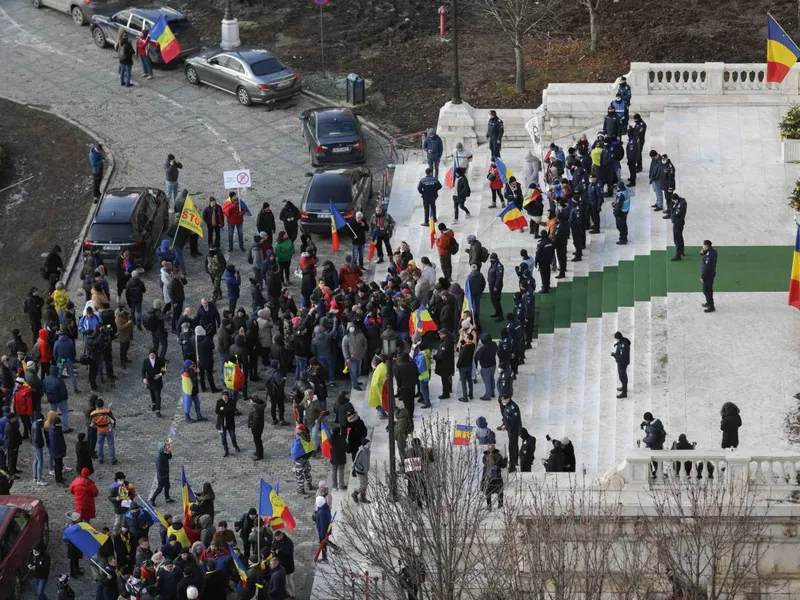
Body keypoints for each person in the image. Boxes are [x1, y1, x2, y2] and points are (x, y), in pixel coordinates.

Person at [498, 396, 521, 472]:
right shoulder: (506, 405)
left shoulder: (513, 407)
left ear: (508, 399)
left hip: (513, 430)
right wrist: (504, 424)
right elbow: (505, 417)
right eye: (501, 399)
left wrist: (506, 426)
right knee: (514, 445)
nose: (502, 401)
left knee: (512, 447)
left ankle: (512, 466)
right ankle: (515, 460)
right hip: (510, 429)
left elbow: (515, 420)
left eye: (503, 399)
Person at [90, 398, 116, 465]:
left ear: (96, 405)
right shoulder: (107, 411)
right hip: (108, 429)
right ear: (103, 404)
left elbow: (92, 424)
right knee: (110, 444)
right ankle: (112, 459)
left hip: (99, 430)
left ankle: (100, 459)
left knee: (100, 444)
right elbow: (113, 419)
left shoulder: (93, 413)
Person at [142, 349, 167, 418]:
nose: (152, 356)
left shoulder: (160, 361)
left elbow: (164, 368)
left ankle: (158, 410)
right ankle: (154, 403)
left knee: (158, 395)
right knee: (152, 393)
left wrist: (160, 374)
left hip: (157, 381)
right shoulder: (146, 361)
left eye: (153, 355)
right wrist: (144, 378)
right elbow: (143, 371)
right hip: (150, 381)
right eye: (151, 355)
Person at [482, 441, 506, 508]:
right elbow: (503, 465)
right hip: (498, 477)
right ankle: (500, 505)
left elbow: (484, 463)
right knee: (500, 491)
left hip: (489, 477)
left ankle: (489, 506)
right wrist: (505, 460)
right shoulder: (498, 455)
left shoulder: (485, 456)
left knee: (488, 491)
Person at [215, 391, 239, 457]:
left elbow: (232, 410)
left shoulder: (232, 402)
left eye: (226, 396)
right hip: (222, 423)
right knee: (223, 438)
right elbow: (217, 411)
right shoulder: (219, 402)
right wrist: (225, 410)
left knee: (233, 436)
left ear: (228, 397)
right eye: (223, 396)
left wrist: (223, 410)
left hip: (230, 422)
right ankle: (226, 450)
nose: (224, 397)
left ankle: (235, 445)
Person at [150, 441, 174, 505]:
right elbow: (160, 468)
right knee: (159, 488)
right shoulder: (159, 457)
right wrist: (164, 475)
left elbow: (169, 457)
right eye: (165, 447)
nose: (166, 447)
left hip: (165, 474)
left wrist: (169, 452)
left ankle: (167, 498)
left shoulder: (162, 453)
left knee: (167, 486)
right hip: (162, 476)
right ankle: (152, 499)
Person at [434, 328, 455, 399]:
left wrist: (435, 356)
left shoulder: (445, 344)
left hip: (445, 365)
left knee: (445, 379)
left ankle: (446, 394)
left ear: (444, 334)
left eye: (440, 334)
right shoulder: (448, 341)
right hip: (448, 364)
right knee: (449, 378)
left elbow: (441, 356)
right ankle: (449, 389)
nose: (440, 336)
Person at [351, 438, 371, 503]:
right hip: (360, 471)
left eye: (369, 443)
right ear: (365, 444)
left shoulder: (368, 451)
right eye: (368, 444)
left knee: (365, 484)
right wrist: (361, 468)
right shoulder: (361, 452)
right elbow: (356, 462)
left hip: (365, 471)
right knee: (363, 485)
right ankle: (354, 493)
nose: (369, 445)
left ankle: (363, 497)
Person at [612, 331, 631, 399]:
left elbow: (621, 356)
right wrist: (617, 344)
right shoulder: (623, 340)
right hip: (621, 362)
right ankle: (624, 387)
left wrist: (614, 355)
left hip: (622, 362)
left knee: (622, 376)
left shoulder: (624, 345)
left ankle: (624, 392)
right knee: (622, 376)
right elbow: (621, 342)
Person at [701, 240, 717, 313]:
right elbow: (705, 254)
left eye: (704, 245)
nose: (703, 246)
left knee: (706, 290)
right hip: (711, 273)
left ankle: (711, 306)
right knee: (708, 289)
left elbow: (707, 267)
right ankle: (709, 302)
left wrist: (702, 277)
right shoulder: (713, 251)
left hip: (708, 275)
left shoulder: (709, 255)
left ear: (707, 246)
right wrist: (703, 252)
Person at [670, 193, 687, 261]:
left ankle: (678, 255)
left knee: (677, 239)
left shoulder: (681, 205)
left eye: (673, 201)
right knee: (680, 237)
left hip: (678, 223)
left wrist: (671, 209)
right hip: (678, 222)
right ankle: (681, 251)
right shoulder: (681, 202)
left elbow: (675, 214)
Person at [248, 396, 266, 461]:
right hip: (260, 426)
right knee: (258, 440)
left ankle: (259, 455)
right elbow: (264, 403)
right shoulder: (260, 406)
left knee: (257, 441)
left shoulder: (256, 408)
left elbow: (255, 420)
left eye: (250, 400)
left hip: (257, 428)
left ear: (253, 402)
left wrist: (252, 427)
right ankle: (258, 452)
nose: (250, 401)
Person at [613, 181, 630, 245]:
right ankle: (625, 236)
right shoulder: (625, 191)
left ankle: (623, 239)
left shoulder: (621, 195)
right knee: (624, 224)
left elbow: (618, 206)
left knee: (620, 226)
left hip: (621, 212)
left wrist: (615, 213)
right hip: (625, 211)